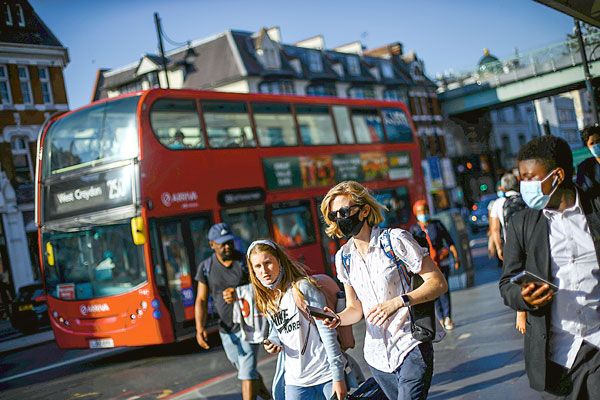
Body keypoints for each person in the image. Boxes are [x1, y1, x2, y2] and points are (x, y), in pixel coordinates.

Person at [320, 181, 448, 400]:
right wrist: (337, 318)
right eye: (334, 216)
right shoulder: (344, 258)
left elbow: (437, 283)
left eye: (344, 211)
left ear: (364, 211)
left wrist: (398, 302)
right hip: (377, 356)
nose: (340, 219)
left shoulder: (395, 240)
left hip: (411, 344)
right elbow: (354, 309)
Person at [499, 136, 600, 399]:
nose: (524, 186)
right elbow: (507, 282)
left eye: (530, 177)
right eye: (521, 178)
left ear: (557, 176)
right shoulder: (521, 224)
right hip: (559, 356)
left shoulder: (596, 211)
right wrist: (522, 297)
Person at [246, 239, 347, 400]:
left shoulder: (303, 288)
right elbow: (278, 330)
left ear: (279, 261)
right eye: (257, 266)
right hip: (295, 382)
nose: (264, 270)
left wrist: (338, 377)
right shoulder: (269, 300)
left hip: (325, 375)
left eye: (268, 263)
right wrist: (273, 341)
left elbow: (328, 333)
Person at [194, 223, 270, 400]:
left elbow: (263, 286)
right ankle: (265, 395)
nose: (227, 246)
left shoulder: (245, 262)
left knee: (246, 372)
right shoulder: (206, 267)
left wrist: (238, 292)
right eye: (222, 243)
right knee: (244, 368)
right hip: (226, 329)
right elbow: (202, 299)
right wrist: (200, 329)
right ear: (212, 245)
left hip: (248, 325)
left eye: (229, 242)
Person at [409, 200, 459, 331]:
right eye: (420, 211)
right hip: (426, 266)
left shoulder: (436, 224)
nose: (424, 214)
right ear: (416, 213)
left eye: (425, 210)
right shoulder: (414, 229)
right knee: (432, 292)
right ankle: (440, 318)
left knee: (444, 289)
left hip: (442, 262)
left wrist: (456, 256)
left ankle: (448, 317)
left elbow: (449, 241)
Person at [489, 173, 528, 334]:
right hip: (530, 241)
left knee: (515, 277)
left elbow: (495, 229)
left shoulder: (498, 203)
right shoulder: (526, 198)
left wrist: (499, 247)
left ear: (503, 187)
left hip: (511, 246)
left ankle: (522, 308)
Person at [576, 124, 600, 207]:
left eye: (598, 141)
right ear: (588, 146)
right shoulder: (584, 168)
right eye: (592, 143)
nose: (596, 145)